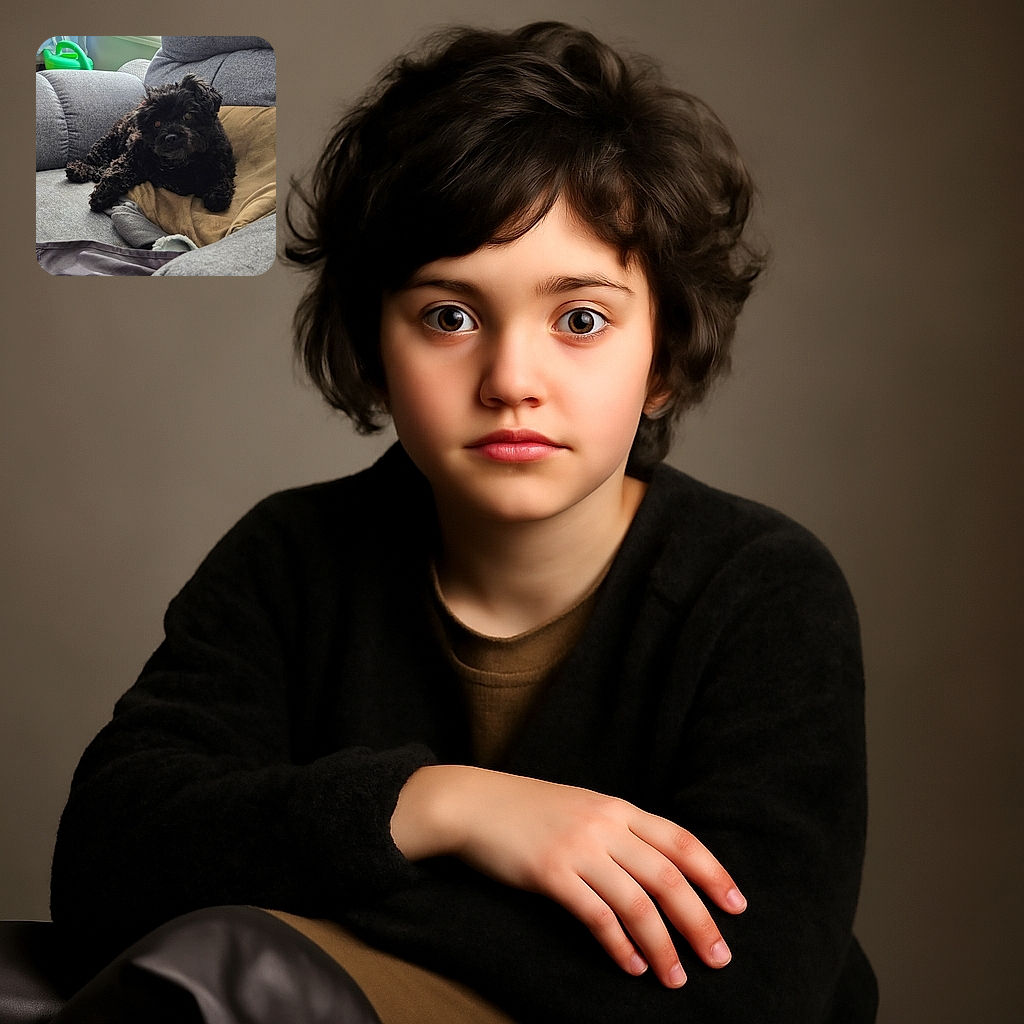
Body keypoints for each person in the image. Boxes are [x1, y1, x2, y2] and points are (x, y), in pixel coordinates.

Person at [50, 21, 877, 1023]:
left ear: (662, 360)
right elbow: (105, 867)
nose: (511, 381)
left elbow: (753, 985)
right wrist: (441, 807)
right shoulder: (291, 558)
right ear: (371, 349)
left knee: (224, 963)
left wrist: (320, 901)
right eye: (449, 315)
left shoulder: (763, 589)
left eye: (580, 319)